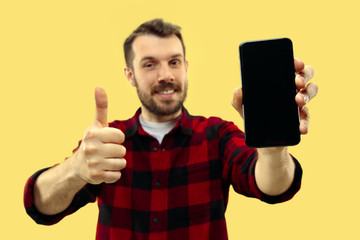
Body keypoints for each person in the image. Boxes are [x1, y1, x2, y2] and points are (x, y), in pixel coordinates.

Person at [24, 18, 318, 240]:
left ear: (186, 67)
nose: (165, 75)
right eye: (150, 64)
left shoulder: (216, 135)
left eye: (174, 62)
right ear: (130, 74)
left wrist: (272, 148)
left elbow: (271, 186)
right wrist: (76, 169)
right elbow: (41, 206)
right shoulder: (108, 141)